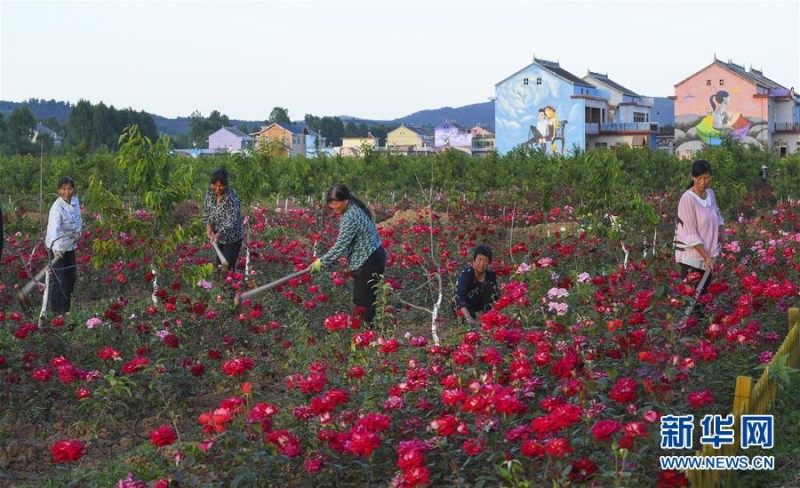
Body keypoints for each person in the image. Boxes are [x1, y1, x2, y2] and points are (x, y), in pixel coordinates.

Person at [309, 184, 386, 326]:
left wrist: (321, 262)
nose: (333, 207)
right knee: (367, 301)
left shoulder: (351, 215)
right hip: (374, 256)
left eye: (336, 203)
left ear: (346, 201)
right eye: (331, 203)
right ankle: (371, 335)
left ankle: (366, 338)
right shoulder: (352, 209)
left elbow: (340, 245)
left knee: (362, 303)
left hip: (370, 260)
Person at [674, 159, 725, 317]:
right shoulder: (687, 199)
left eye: (707, 178)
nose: (703, 182)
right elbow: (690, 233)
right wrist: (705, 257)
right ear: (692, 177)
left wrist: (722, 232)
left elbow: (717, 215)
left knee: (703, 299)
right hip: (692, 259)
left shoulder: (710, 194)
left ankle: (700, 335)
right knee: (692, 301)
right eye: (699, 178)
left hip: (708, 257)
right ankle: (688, 335)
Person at [45, 176, 82, 315]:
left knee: (71, 277)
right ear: (59, 190)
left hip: (70, 245)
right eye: (64, 189)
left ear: (73, 189)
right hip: (56, 247)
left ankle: (66, 310)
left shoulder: (75, 201)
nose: (67, 192)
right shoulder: (57, 208)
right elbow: (54, 229)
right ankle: (57, 312)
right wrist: (57, 249)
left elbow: (78, 218)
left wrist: (78, 232)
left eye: (69, 188)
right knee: (59, 279)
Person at [203, 168, 244, 280]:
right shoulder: (209, 193)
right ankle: (219, 294)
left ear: (226, 185)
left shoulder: (231, 196)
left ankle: (230, 296)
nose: (217, 189)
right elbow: (207, 212)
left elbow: (231, 221)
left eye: (221, 186)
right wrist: (208, 227)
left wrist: (218, 234)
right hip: (218, 238)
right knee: (219, 266)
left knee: (227, 269)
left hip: (232, 237)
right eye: (215, 185)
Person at [454, 245, 499, 324]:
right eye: (479, 260)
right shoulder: (465, 276)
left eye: (485, 261)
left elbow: (495, 296)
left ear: (489, 263)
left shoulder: (491, 275)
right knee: (469, 325)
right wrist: (469, 318)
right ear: (474, 261)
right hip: (463, 305)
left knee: (489, 287)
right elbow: (459, 298)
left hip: (478, 302)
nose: (482, 264)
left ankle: (487, 318)